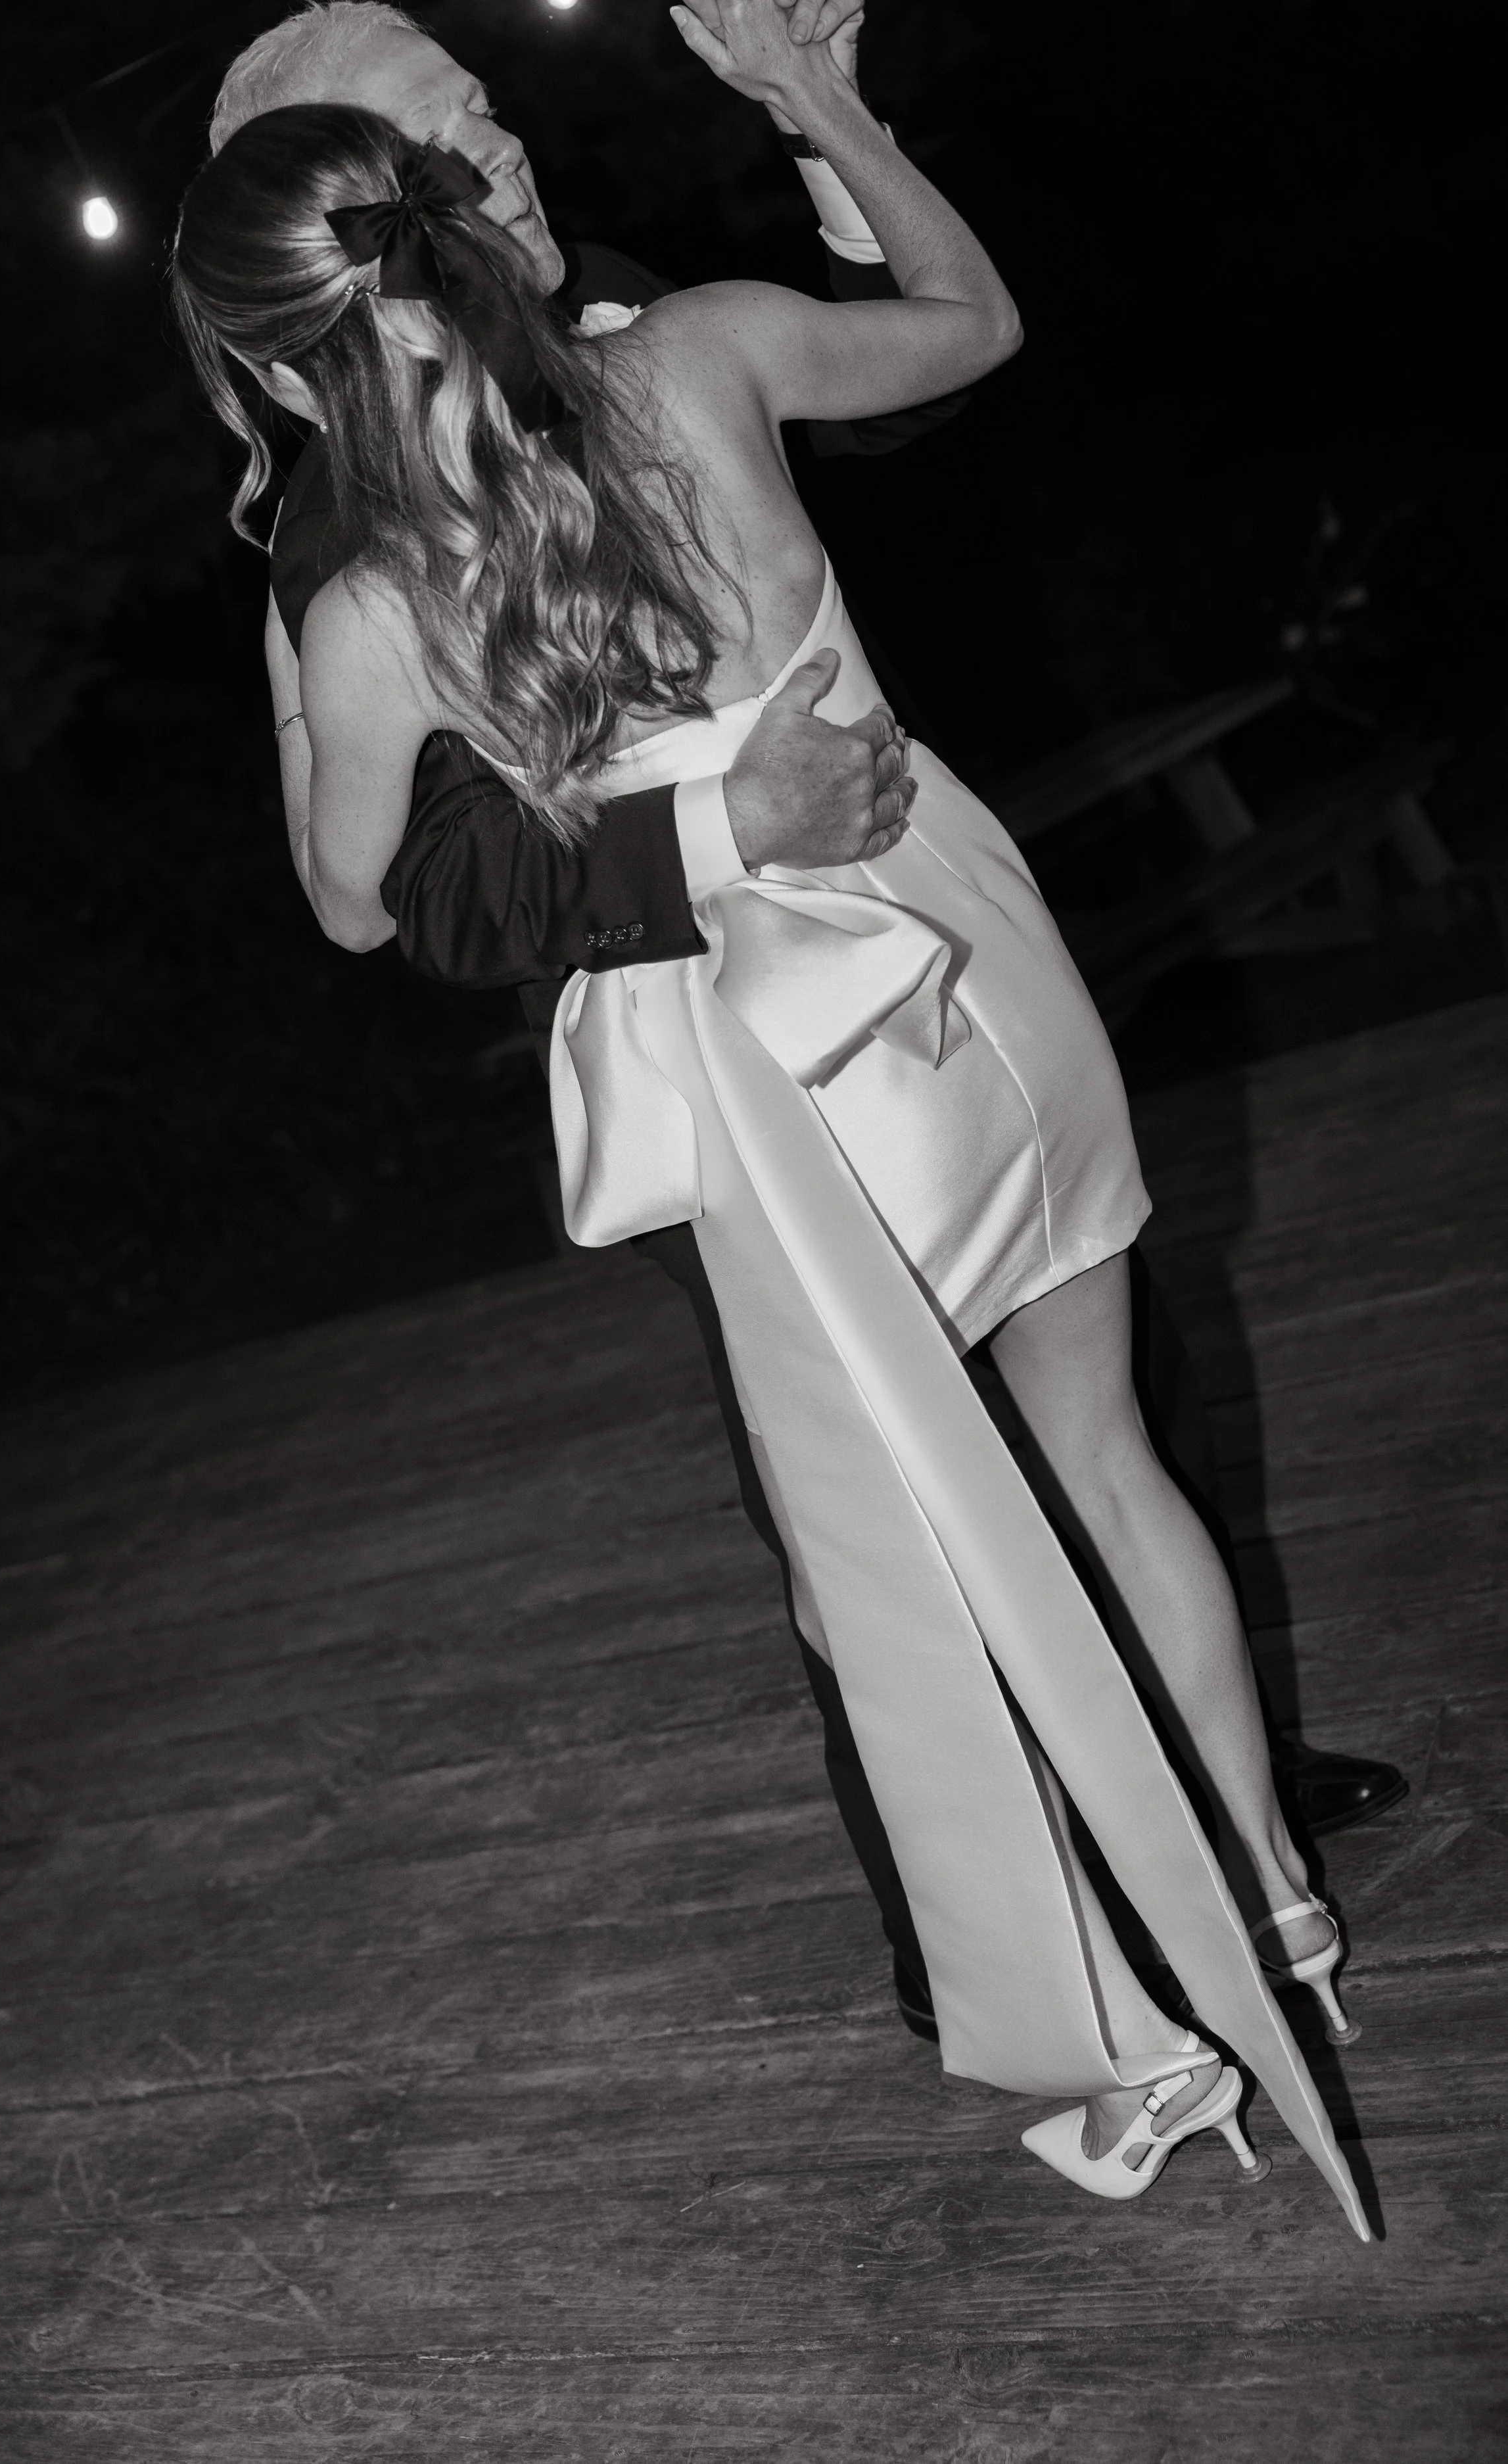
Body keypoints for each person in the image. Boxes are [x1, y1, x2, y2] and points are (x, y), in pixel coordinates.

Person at [173, 2, 1375, 2235]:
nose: (503, 146)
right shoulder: (697, 348)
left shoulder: (362, 588)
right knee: (1101, 1454)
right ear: (420, 212)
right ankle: (1274, 1918)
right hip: (969, 936)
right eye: (458, 134)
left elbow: (357, 897)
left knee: (887, 1582)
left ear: (279, 347)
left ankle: (1126, 2016)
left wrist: (292, 651)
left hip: (786, 1064)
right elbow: (968, 326)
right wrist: (820, 103)